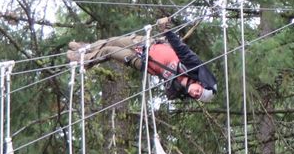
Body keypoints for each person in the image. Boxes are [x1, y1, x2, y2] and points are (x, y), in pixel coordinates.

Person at [68, 18, 217, 102]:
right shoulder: (191, 66)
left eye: (197, 96)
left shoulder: (178, 90)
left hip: (143, 62)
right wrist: (166, 30)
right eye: (200, 91)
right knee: (112, 41)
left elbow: (169, 94)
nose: (196, 93)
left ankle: (84, 60)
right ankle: (85, 49)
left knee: (109, 51)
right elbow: (181, 48)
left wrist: (180, 89)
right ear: (200, 83)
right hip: (148, 44)